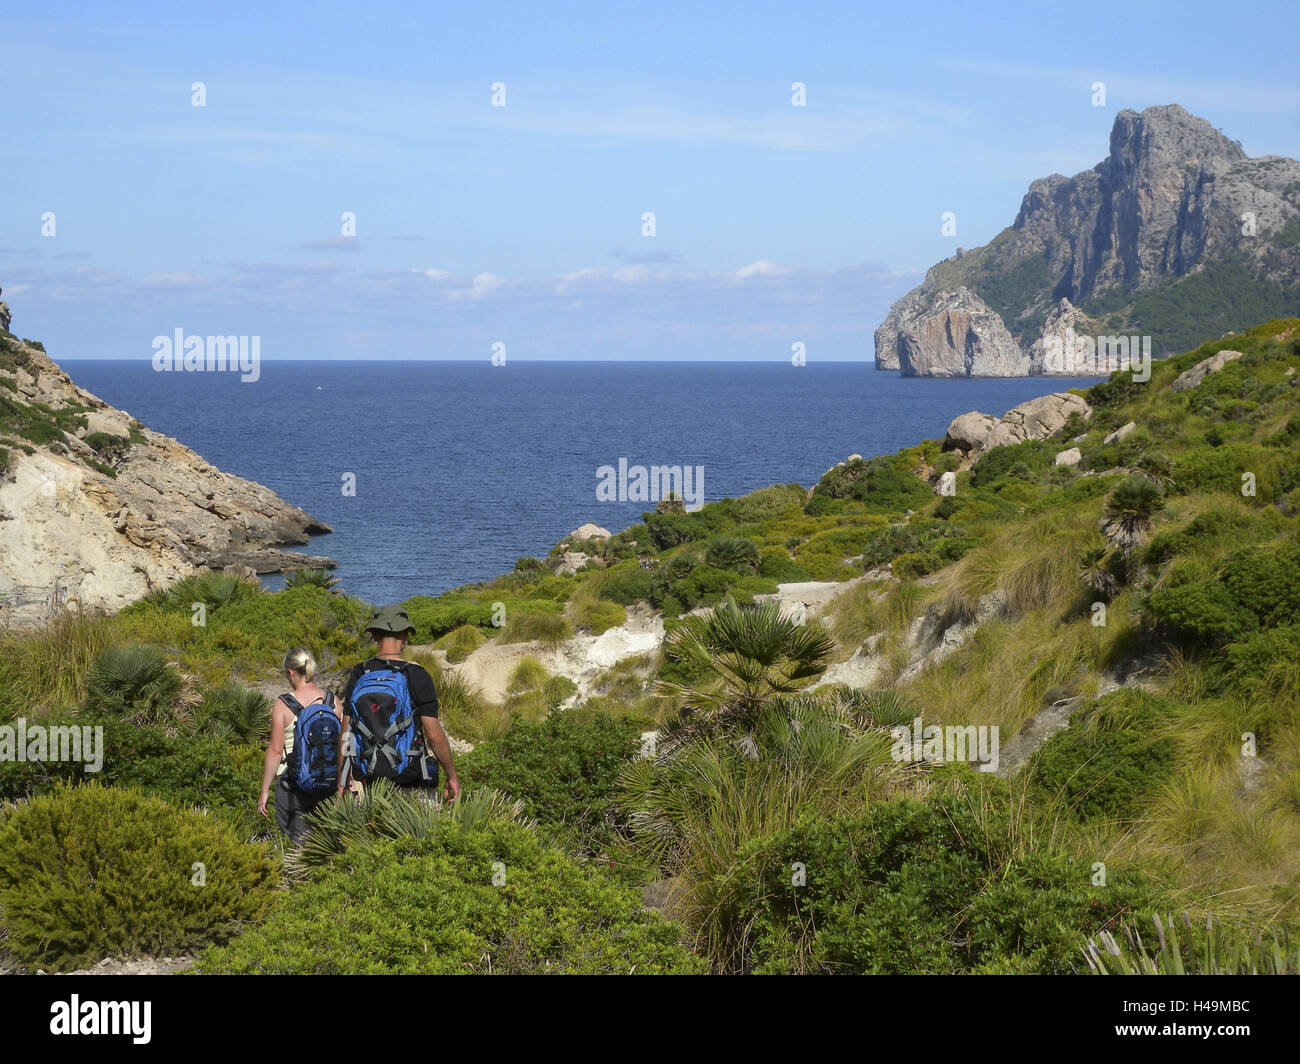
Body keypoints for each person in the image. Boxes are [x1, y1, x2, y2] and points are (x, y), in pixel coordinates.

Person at [337, 605, 460, 804]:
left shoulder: (360, 673)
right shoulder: (417, 675)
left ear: (374, 635)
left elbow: (346, 734)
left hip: (371, 783)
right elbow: (434, 735)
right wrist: (452, 775)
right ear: (405, 635)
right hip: (411, 780)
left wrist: (342, 779)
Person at [258, 647, 342, 844]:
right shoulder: (333, 701)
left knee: (298, 844)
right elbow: (344, 744)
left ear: (290, 672)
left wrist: (264, 790)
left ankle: (300, 873)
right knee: (326, 841)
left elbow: (276, 750)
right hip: (328, 782)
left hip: (293, 785)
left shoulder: (283, 704)